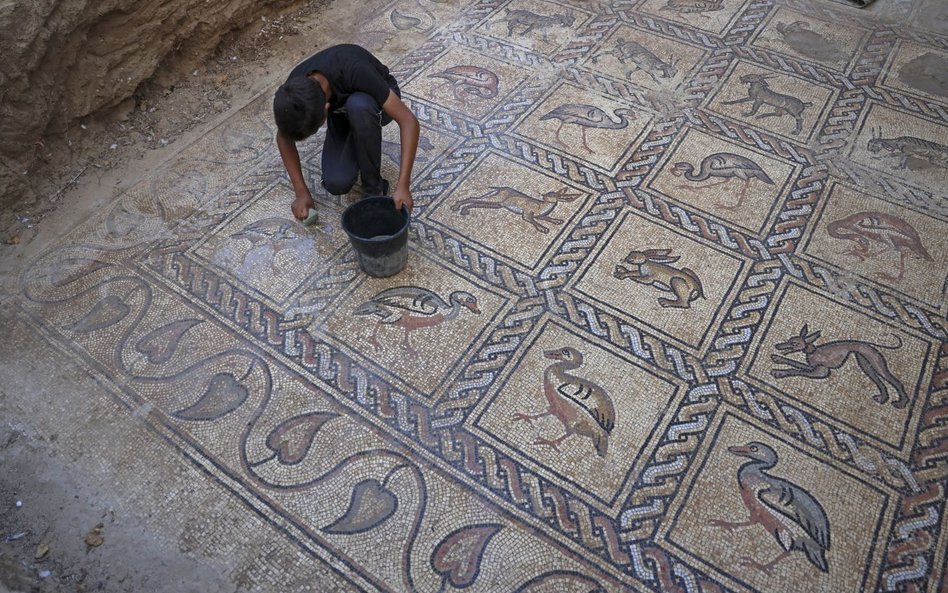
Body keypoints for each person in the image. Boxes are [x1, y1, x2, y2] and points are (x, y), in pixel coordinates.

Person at [272, 44, 419, 219]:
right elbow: (283, 138)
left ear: (325, 111)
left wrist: (403, 186)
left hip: (380, 101)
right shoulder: (293, 90)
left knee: (358, 105)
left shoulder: (353, 69)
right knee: (336, 183)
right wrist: (301, 192)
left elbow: (409, 121)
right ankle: (356, 137)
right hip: (342, 114)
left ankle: (373, 189)